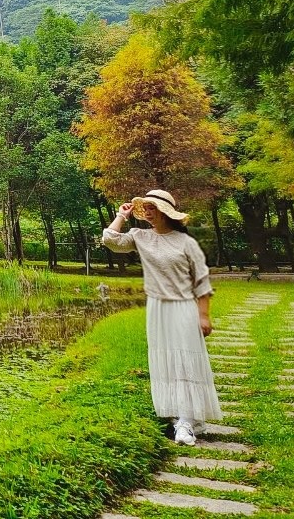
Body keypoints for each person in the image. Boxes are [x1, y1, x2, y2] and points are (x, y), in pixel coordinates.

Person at [102, 188, 221, 447]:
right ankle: (174, 415)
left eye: (152, 207)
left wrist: (204, 316)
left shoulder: (185, 242)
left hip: (183, 307)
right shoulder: (140, 236)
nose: (146, 210)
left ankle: (187, 421)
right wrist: (122, 215)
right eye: (144, 206)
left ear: (166, 212)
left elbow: (201, 281)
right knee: (165, 361)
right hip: (158, 309)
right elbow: (110, 240)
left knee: (185, 360)